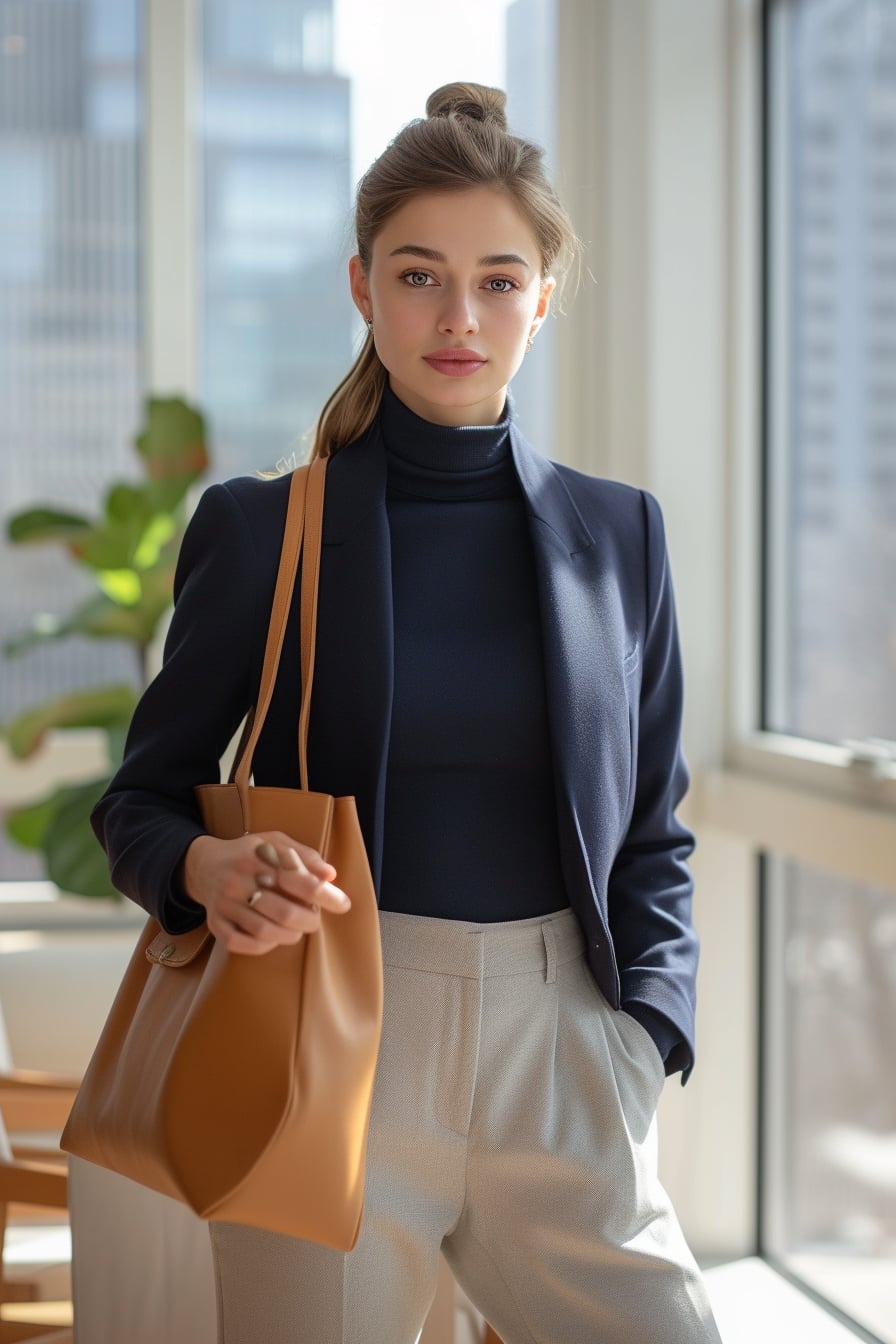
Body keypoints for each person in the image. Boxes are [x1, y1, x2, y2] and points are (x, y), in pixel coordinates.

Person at [91, 82, 723, 1344]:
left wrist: (642, 1041)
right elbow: (139, 800)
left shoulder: (618, 536)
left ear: (542, 295)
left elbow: (651, 829)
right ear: (361, 288)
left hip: (562, 1049)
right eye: (419, 275)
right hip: (320, 1043)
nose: (458, 316)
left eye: (497, 280)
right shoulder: (262, 530)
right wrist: (208, 866)